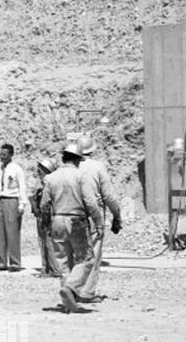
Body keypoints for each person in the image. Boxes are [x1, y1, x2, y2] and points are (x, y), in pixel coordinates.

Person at [39, 143, 103, 313]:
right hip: (77, 220)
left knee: (64, 262)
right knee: (86, 259)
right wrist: (98, 222)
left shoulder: (51, 178)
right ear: (77, 160)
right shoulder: (81, 176)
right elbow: (90, 202)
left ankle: (68, 300)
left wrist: (47, 224)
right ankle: (71, 288)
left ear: (63, 158)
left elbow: (44, 204)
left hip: (57, 220)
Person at [77, 134, 122, 301]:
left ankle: (73, 288)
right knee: (93, 253)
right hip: (93, 214)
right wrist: (117, 216)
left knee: (77, 253)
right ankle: (87, 292)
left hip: (73, 213)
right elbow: (109, 196)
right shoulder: (97, 167)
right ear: (92, 150)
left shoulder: (70, 166)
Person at [0, 143, 27, 271]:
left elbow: (22, 186)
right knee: (0, 232)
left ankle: (15, 262)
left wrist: (22, 204)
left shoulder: (16, 169)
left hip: (12, 200)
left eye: (4, 154)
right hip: (0, 200)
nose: (1, 156)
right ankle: (2, 261)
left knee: (12, 231)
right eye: (1, 154)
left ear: (11, 155)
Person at [29, 157, 59, 276]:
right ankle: (46, 267)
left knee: (49, 240)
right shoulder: (39, 182)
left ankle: (54, 268)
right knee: (42, 240)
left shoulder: (49, 182)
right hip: (40, 214)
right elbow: (32, 195)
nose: (38, 171)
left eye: (41, 169)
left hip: (48, 214)